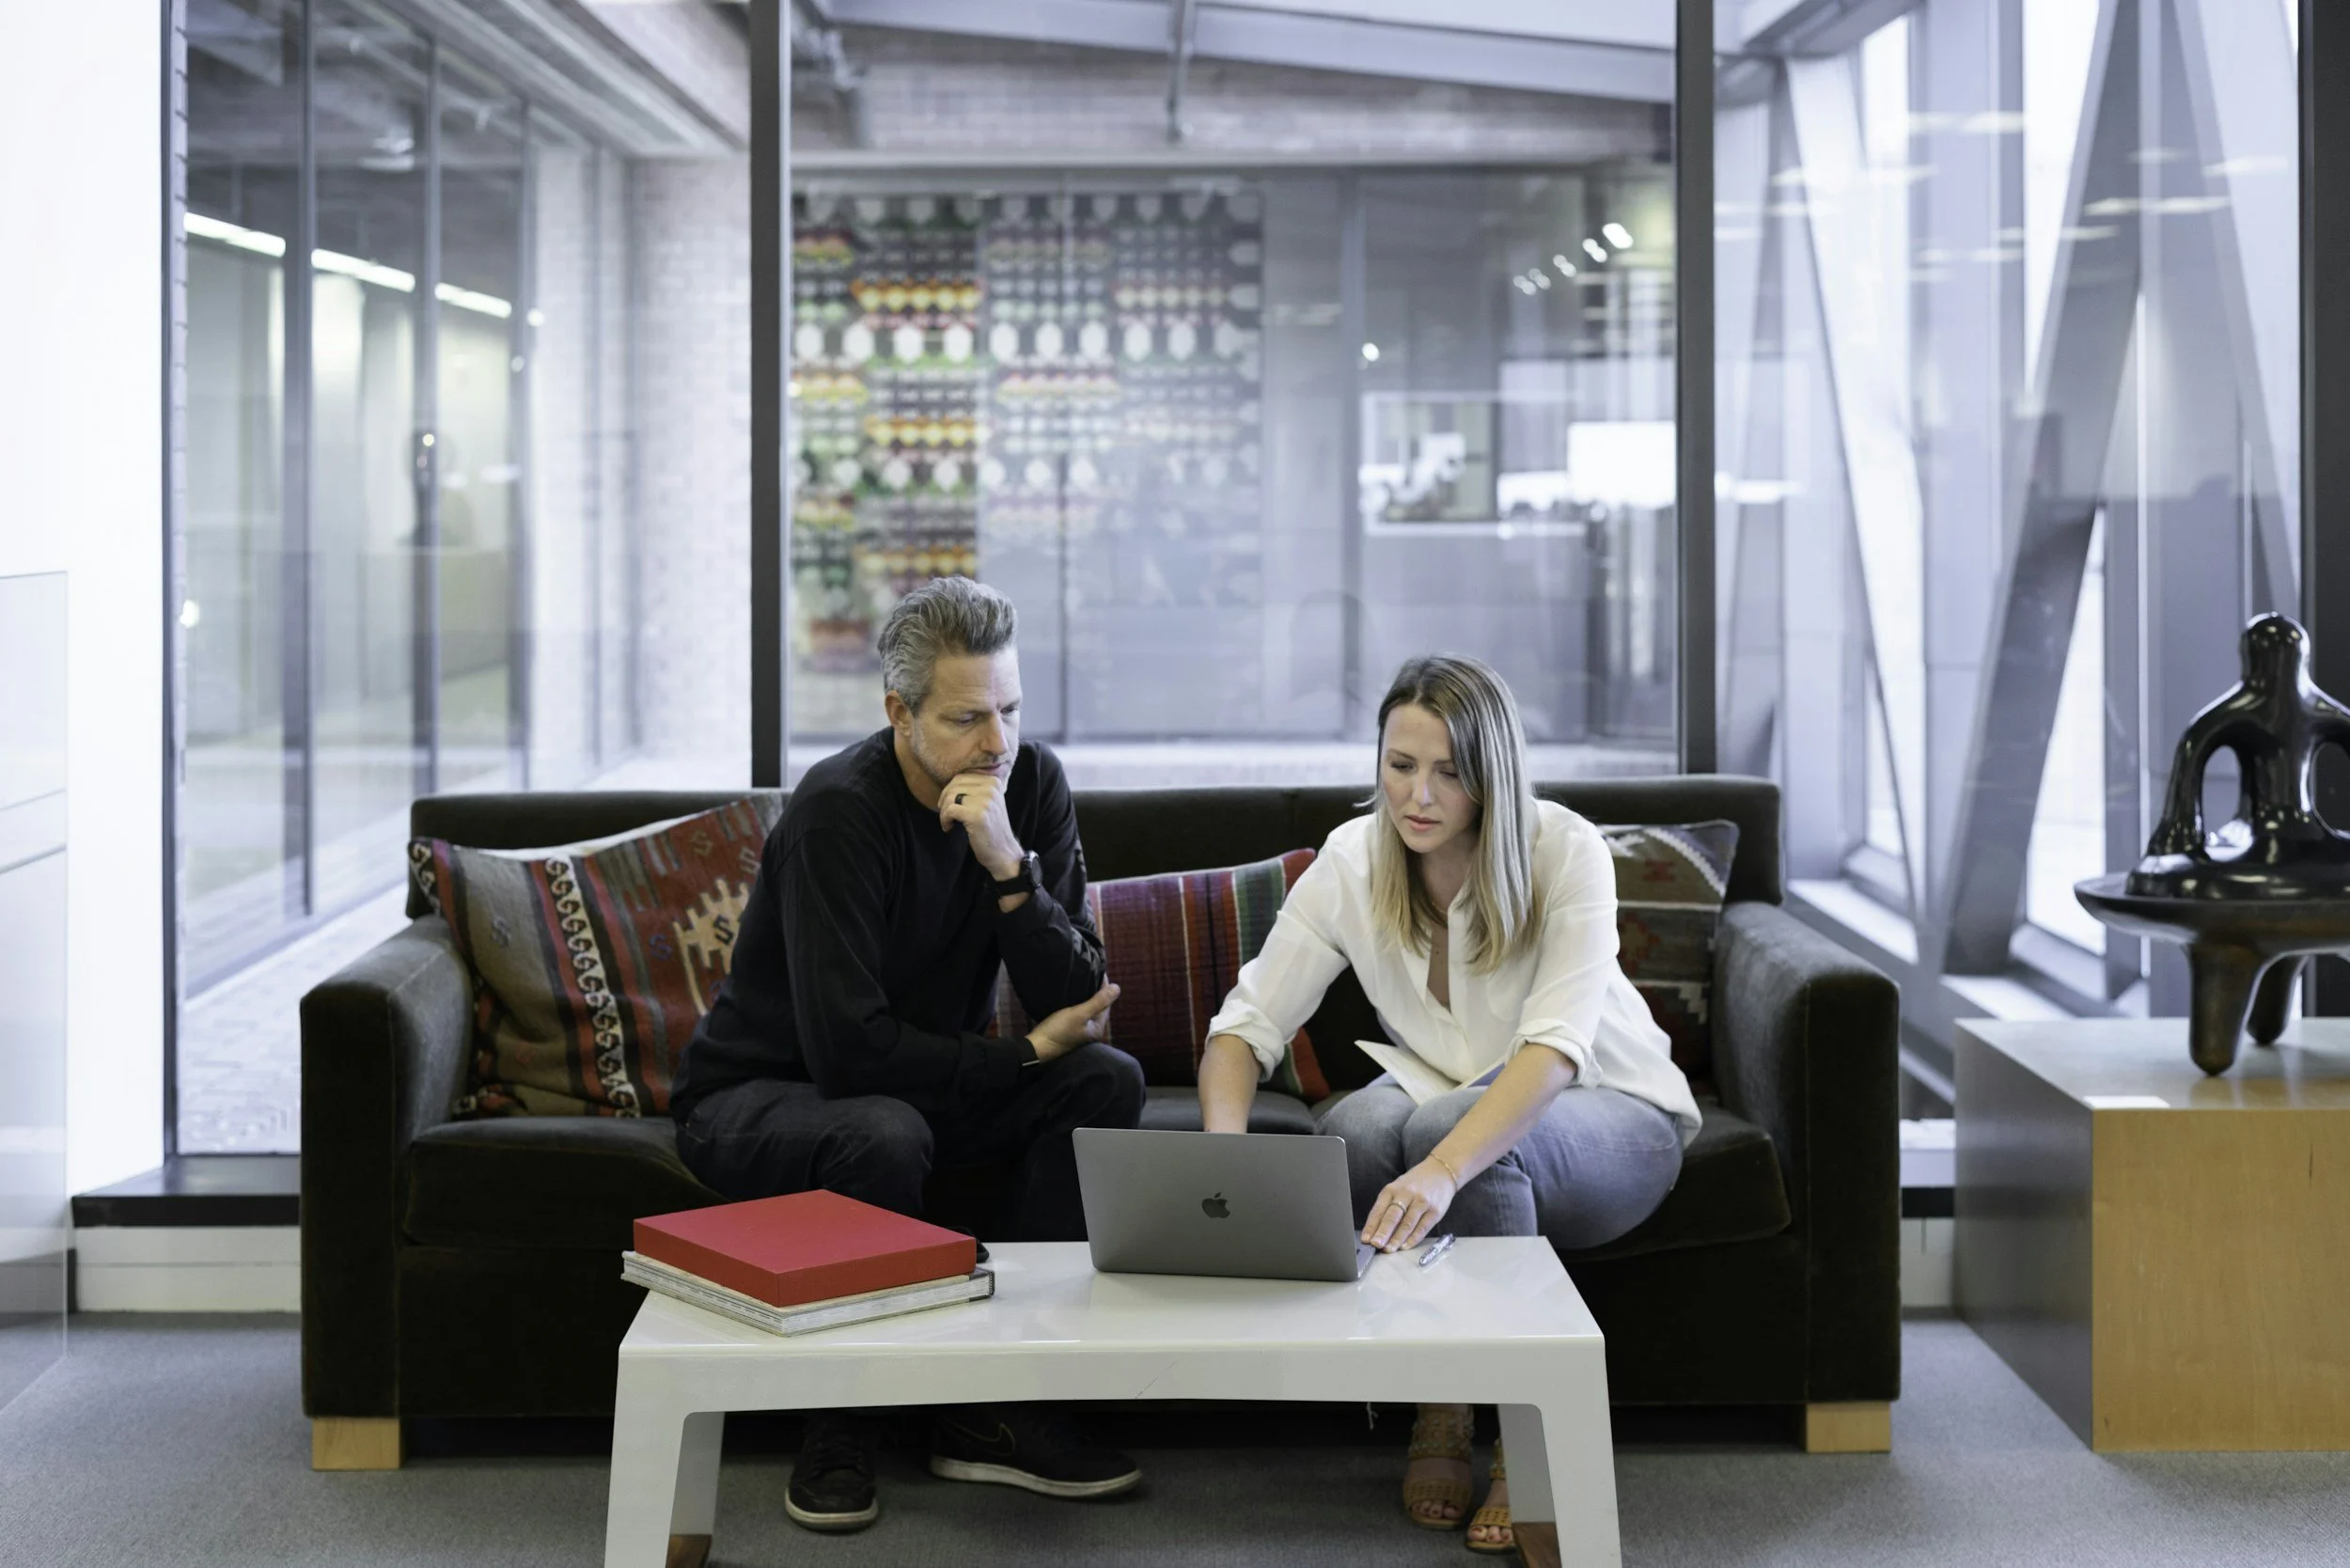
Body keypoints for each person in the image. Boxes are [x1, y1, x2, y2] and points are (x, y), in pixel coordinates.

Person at [670, 576, 1148, 1534]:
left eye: (1010, 710)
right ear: (898, 711)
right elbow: (847, 1055)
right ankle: (840, 1419)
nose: (997, 743)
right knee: (880, 1134)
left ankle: (993, 1406)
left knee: (1104, 1082)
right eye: (968, 718)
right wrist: (1015, 1060)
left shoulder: (1031, 787)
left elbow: (1076, 999)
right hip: (761, 1094)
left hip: (912, 1083)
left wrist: (1009, 869)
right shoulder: (838, 813)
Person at [1197, 654, 1699, 1555]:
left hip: (1614, 1106)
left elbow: (1551, 1051)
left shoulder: (1564, 849)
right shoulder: (1354, 860)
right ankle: (1442, 1393)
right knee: (1350, 1127)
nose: (1418, 795)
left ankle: (1520, 1436)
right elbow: (1245, 1029)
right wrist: (1224, 1165)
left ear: (1491, 773)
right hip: (1448, 1088)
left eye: (1449, 771)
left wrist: (1442, 1167)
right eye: (1400, 765)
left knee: (1436, 1129)